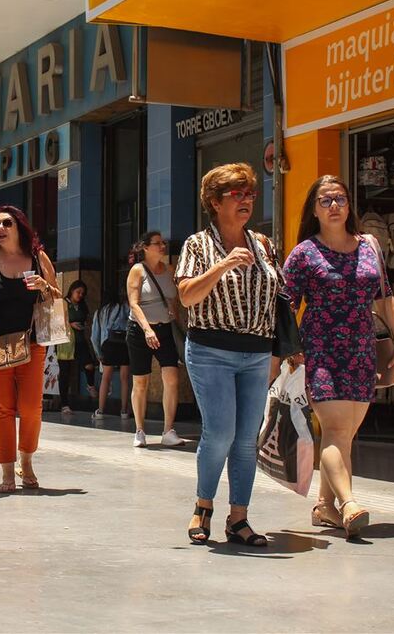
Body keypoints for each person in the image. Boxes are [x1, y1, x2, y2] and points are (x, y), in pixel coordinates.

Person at [284, 175, 394, 538]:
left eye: (339, 198)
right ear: (314, 209)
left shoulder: (369, 246)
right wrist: (289, 353)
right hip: (320, 350)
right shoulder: (304, 253)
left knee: (345, 436)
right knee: (337, 430)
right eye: (325, 200)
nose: (334, 206)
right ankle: (350, 504)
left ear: (349, 204)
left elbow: (384, 298)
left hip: (361, 350)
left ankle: (325, 507)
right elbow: (285, 307)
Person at [175, 162, 281, 547]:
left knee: (246, 439)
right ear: (215, 202)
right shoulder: (197, 245)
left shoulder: (263, 244)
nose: (246, 200)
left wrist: (280, 353)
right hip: (211, 351)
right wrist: (221, 266)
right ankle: (203, 506)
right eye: (237, 193)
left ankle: (239, 519)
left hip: (256, 353)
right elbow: (187, 296)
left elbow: (278, 299)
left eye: (250, 193)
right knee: (220, 432)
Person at [0, 205, 60, 492]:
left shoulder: (37, 257)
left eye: (7, 223)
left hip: (33, 342)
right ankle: (7, 473)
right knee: (3, 408)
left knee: (31, 408)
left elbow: (57, 298)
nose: (0, 228)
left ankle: (26, 461)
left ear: (19, 227)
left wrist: (43, 286)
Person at [126, 231, 186, 448]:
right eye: (158, 243)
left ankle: (168, 430)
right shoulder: (137, 271)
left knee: (171, 377)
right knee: (140, 381)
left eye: (164, 243)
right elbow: (134, 303)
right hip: (140, 330)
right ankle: (139, 430)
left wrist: (173, 312)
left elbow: (174, 299)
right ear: (145, 247)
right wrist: (147, 330)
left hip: (165, 330)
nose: (162, 246)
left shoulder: (170, 270)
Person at [91, 291, 132, 419]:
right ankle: (124, 411)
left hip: (108, 345)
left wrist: (98, 353)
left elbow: (94, 336)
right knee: (125, 378)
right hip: (123, 344)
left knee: (106, 378)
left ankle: (100, 411)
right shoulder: (124, 307)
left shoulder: (100, 312)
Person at [58, 280, 97, 414]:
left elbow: (86, 318)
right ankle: (64, 404)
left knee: (89, 365)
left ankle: (90, 385)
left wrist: (85, 325)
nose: (80, 295)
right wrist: (70, 324)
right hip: (65, 342)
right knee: (65, 373)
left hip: (80, 340)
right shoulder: (63, 303)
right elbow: (56, 321)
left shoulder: (82, 306)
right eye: (78, 292)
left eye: (82, 293)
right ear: (72, 290)